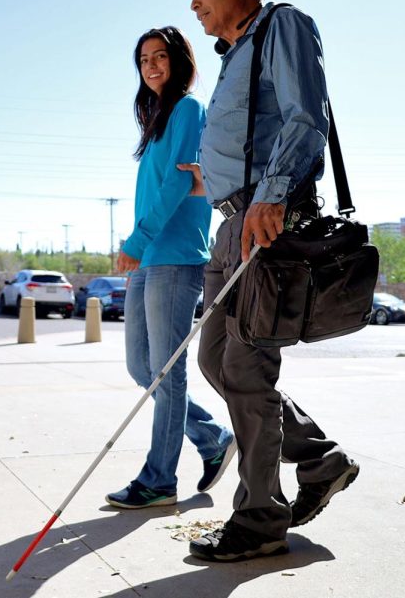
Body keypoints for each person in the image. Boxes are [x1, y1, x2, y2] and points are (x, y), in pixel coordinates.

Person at [178, 0, 360, 561]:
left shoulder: (282, 24)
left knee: (247, 368)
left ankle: (259, 518)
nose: (195, 1)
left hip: (265, 221)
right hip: (229, 225)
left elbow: (306, 117)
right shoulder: (233, 59)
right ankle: (319, 457)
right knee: (214, 361)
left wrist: (273, 194)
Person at [105, 26, 236, 509]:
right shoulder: (157, 119)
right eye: (144, 59)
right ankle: (213, 437)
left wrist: (136, 241)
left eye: (160, 56)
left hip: (175, 258)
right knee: (142, 367)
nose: (152, 64)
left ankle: (159, 479)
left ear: (179, 60)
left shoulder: (187, 110)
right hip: (148, 259)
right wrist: (137, 246)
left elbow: (180, 185)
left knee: (166, 371)